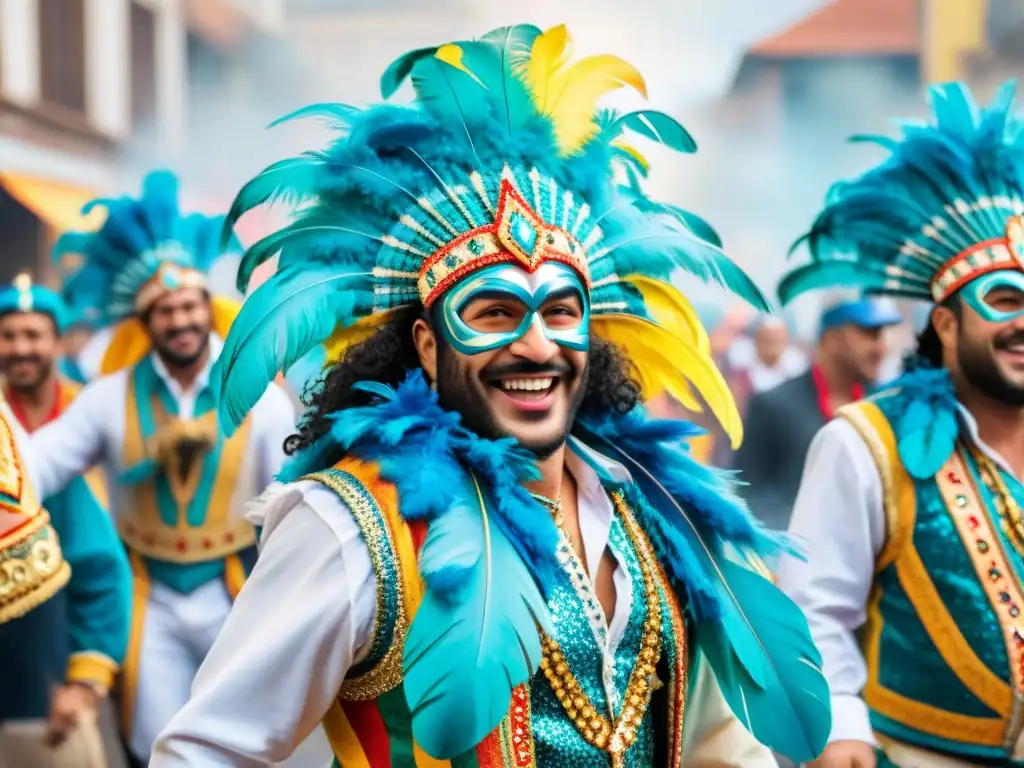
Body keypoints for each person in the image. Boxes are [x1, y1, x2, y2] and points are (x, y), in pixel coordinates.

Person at [151, 22, 831, 767]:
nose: (536, 346)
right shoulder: (352, 526)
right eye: (495, 313)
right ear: (426, 344)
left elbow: (721, 746)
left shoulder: (656, 511)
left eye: (561, 313)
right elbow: (204, 749)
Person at [777, 80, 1024, 767]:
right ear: (945, 323)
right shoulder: (864, 443)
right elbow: (814, 610)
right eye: (1005, 300)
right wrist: (841, 725)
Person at [19, 171, 297, 765]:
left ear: (208, 309)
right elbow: (38, 466)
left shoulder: (258, 395)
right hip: (149, 595)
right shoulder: (106, 397)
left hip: (232, 589)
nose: (180, 321)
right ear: (145, 323)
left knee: (239, 737)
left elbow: (287, 499)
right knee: (155, 743)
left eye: (189, 306)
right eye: (165, 310)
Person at [0, 279, 131, 768]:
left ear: (57, 342)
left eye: (33, 335)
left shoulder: (87, 411)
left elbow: (98, 559)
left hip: (62, 628)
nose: (21, 347)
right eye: (9, 335)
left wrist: (87, 677)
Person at [734, 298, 901, 531]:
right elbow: (750, 497)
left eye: (882, 335)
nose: (880, 349)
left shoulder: (887, 409)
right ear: (832, 339)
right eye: (869, 334)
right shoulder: (772, 406)